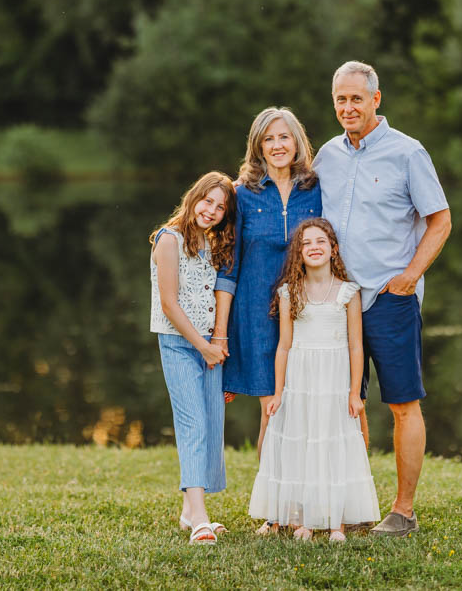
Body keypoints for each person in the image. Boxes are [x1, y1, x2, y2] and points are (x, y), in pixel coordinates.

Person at [313, 60, 452, 537]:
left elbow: (440, 220)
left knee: (402, 403)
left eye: (356, 98)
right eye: (340, 99)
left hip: (390, 298)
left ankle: (403, 510)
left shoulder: (408, 153)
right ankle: (360, 503)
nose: (348, 107)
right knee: (350, 403)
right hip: (338, 300)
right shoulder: (326, 156)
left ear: (376, 99)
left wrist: (411, 276)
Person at [248, 218, 380, 542]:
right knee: (302, 443)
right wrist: (279, 392)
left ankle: (336, 521)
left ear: (333, 249)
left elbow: (355, 346)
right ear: (299, 252)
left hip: (334, 380)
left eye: (321, 241)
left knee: (333, 443)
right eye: (306, 243)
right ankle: (302, 518)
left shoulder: (348, 293)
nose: (314, 247)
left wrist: (354, 392)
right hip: (300, 379)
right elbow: (284, 345)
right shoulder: (289, 292)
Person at [212, 107, 322, 458]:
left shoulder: (316, 190)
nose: (277, 145)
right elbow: (228, 266)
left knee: (305, 411)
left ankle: (303, 499)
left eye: (284, 137)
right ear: (257, 147)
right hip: (256, 315)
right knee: (272, 408)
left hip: (307, 313)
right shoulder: (241, 194)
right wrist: (221, 331)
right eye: (268, 139)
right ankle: (273, 506)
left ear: (297, 142)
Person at [150, 171, 237, 545]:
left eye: (220, 207)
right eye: (207, 201)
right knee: (193, 424)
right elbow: (169, 303)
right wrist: (201, 347)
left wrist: (218, 342)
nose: (212, 210)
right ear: (193, 197)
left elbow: (217, 292)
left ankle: (190, 510)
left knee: (212, 423)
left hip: (210, 346)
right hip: (180, 344)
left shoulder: (213, 242)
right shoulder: (169, 239)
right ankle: (200, 517)